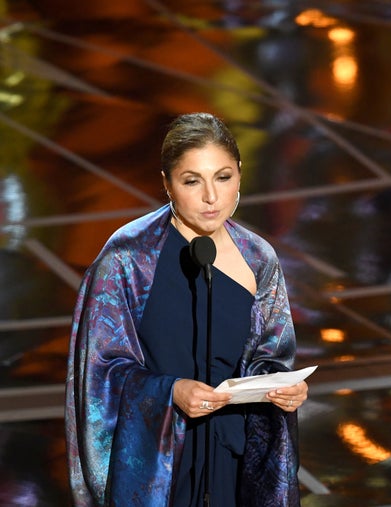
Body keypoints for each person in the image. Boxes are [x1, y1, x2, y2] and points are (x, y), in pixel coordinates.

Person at [65, 112, 308, 506]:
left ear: (240, 175)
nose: (211, 197)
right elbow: (99, 375)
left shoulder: (259, 259)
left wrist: (283, 388)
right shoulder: (127, 258)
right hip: (158, 467)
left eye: (223, 177)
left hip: (232, 460)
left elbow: (269, 357)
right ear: (167, 184)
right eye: (192, 181)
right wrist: (170, 391)